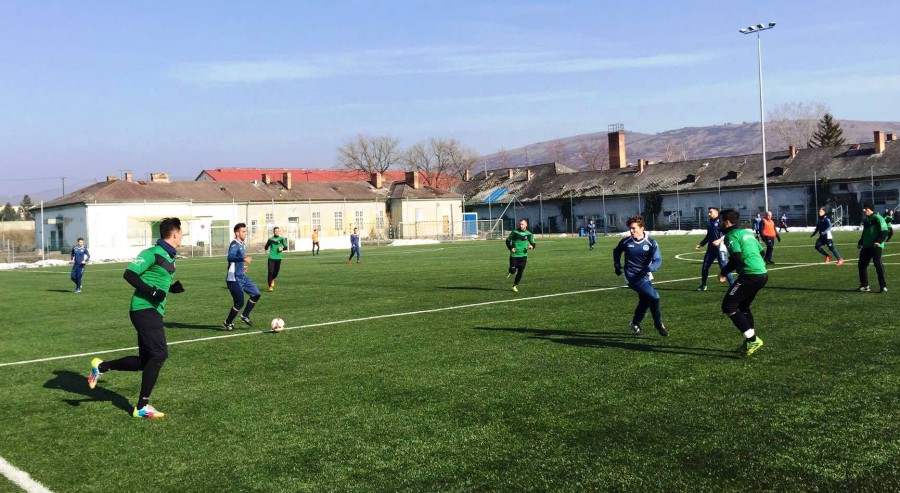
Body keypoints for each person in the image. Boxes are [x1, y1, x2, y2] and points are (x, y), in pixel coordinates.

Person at [87, 217, 185, 419]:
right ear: (175, 234)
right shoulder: (151, 253)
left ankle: (101, 366)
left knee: (145, 361)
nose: (182, 237)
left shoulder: (168, 256)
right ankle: (142, 406)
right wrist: (152, 292)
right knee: (159, 354)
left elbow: (156, 280)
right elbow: (130, 274)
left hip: (153, 310)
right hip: (143, 309)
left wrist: (171, 288)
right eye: (181, 233)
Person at [718, 209, 766, 356]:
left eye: (720, 221)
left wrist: (724, 272)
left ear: (727, 222)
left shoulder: (730, 235)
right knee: (743, 307)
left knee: (728, 306)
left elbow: (736, 258)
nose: (719, 223)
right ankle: (750, 341)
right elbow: (762, 252)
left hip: (750, 275)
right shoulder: (747, 233)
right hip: (762, 274)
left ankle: (752, 340)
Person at [613, 214, 667, 336]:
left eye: (634, 228)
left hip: (645, 275)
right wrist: (617, 265)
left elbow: (658, 260)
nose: (631, 231)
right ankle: (659, 324)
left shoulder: (651, 242)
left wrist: (650, 268)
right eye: (630, 228)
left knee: (645, 301)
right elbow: (617, 251)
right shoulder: (626, 242)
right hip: (631, 276)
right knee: (655, 296)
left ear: (642, 228)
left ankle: (635, 323)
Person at [223, 223, 261, 330]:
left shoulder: (242, 243)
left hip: (242, 276)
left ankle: (245, 315)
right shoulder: (234, 244)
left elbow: (236, 260)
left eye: (245, 231)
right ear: (237, 233)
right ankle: (227, 322)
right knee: (239, 302)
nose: (245, 233)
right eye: (243, 231)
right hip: (234, 279)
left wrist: (241, 266)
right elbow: (230, 257)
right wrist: (243, 259)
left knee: (256, 295)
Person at [694, 207, 733, 291]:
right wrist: (701, 244)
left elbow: (727, 233)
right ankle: (703, 285)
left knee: (724, 267)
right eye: (708, 212)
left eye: (710, 212)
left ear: (716, 212)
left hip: (720, 248)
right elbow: (708, 236)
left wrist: (720, 240)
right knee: (705, 267)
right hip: (711, 249)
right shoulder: (710, 222)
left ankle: (732, 286)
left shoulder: (722, 221)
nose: (709, 214)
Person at [857, 204, 889, 293]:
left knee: (877, 264)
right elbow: (865, 233)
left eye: (866, 208)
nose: (864, 210)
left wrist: (878, 241)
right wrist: (860, 242)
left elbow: (885, 231)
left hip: (876, 246)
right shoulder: (866, 220)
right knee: (862, 265)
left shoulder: (878, 218)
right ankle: (865, 285)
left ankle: (883, 286)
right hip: (866, 246)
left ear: (871, 209)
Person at [506, 218, 536, 293]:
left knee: (520, 270)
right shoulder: (515, 232)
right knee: (513, 271)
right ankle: (510, 270)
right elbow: (507, 241)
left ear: (526, 225)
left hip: (523, 256)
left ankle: (514, 285)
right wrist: (511, 248)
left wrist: (531, 246)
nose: (521, 225)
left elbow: (533, 243)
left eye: (522, 224)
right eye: (520, 224)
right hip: (514, 255)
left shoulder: (529, 233)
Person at [264, 226, 288, 291]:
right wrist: (266, 250)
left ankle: (273, 279)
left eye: (278, 231)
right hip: (271, 258)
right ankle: (270, 287)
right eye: (275, 231)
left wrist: (282, 248)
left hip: (278, 258)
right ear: (273, 232)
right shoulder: (270, 239)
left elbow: (286, 247)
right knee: (270, 272)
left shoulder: (282, 239)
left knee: (276, 272)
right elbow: (266, 246)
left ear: (279, 232)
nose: (277, 232)